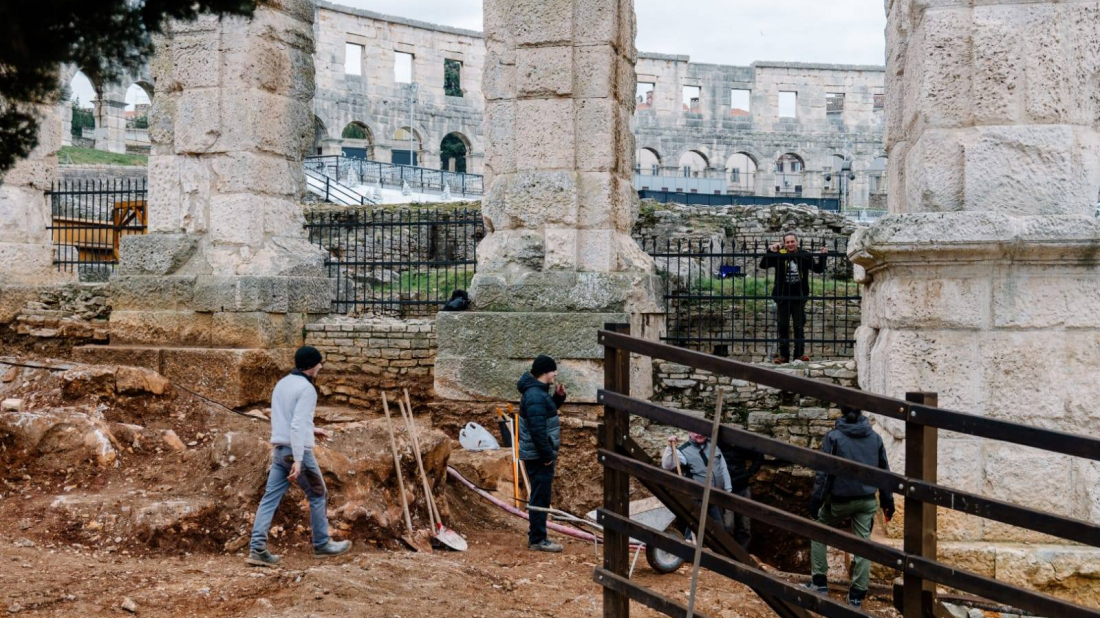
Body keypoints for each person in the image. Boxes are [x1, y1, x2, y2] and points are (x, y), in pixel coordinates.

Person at [247, 346, 352, 567]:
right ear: (312, 365)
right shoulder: (307, 389)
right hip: (297, 451)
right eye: (319, 363)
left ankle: (257, 548)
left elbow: (287, 418)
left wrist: (312, 430)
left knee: (269, 499)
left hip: (279, 450)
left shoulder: (283, 383)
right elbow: (296, 424)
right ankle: (322, 544)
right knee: (317, 494)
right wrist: (298, 459)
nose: (321, 366)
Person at [805, 407, 895, 608]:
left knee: (818, 529)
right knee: (863, 543)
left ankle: (819, 583)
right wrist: (888, 502)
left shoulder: (834, 437)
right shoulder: (875, 438)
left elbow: (825, 473)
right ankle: (856, 595)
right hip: (867, 501)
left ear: (842, 412)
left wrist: (816, 500)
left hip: (840, 501)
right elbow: (884, 472)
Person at [517, 354, 567, 552]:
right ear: (545, 372)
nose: (555, 374)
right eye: (553, 370)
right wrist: (547, 456)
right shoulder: (535, 395)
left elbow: (544, 415)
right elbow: (538, 430)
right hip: (539, 456)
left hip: (538, 454)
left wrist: (558, 397)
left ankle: (538, 536)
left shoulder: (537, 393)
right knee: (540, 496)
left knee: (541, 495)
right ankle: (538, 539)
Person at [758, 232, 828, 364]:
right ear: (784, 243)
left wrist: (823, 256)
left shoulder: (805, 255)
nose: (790, 244)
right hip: (783, 297)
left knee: (799, 326)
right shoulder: (780, 255)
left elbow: (818, 269)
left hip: (799, 297)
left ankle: (799, 355)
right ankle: (784, 356)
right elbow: (763, 265)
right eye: (787, 242)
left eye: (792, 241)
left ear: (797, 242)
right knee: (783, 326)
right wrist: (770, 251)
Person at [662, 431, 733, 530]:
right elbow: (667, 466)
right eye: (695, 432)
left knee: (718, 528)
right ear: (689, 433)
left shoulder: (713, 446)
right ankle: (690, 543)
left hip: (715, 496)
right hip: (697, 498)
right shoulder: (683, 450)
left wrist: (728, 489)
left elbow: (723, 468)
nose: (699, 434)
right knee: (695, 527)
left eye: (701, 431)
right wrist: (669, 447)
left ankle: (712, 546)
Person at [719, 441, 763, 549]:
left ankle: (741, 554)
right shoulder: (718, 445)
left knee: (744, 526)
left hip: (742, 487)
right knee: (728, 525)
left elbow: (759, 455)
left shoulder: (742, 445)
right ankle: (727, 552)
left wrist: (749, 473)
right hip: (725, 491)